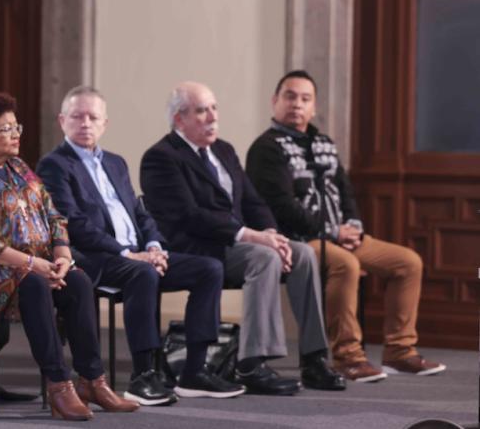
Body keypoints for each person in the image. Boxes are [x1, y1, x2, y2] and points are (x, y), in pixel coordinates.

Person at [0, 91, 139, 420]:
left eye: (16, 127)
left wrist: (62, 254)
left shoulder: (19, 168)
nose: (14, 135)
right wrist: (29, 263)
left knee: (78, 281)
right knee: (35, 284)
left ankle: (92, 381)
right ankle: (59, 386)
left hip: (34, 265)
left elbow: (54, 215)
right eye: (5, 129)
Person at [36, 86, 245, 403]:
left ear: (105, 123)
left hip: (137, 253)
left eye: (93, 117)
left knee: (209, 268)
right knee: (142, 273)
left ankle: (194, 371)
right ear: (62, 120)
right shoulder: (54, 165)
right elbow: (72, 223)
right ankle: (143, 376)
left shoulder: (116, 163)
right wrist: (129, 254)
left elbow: (139, 211)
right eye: (77, 116)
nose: (86, 123)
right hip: (95, 257)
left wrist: (155, 247)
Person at [139, 81, 346, 395]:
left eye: (214, 108)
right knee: (263, 257)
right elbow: (189, 216)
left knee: (302, 252)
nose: (212, 117)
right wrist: (251, 236)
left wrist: (272, 234)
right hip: (196, 246)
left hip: (234, 242)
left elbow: (253, 202)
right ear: (179, 119)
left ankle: (314, 359)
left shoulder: (224, 150)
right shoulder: (161, 157)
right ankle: (251, 365)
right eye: (201, 111)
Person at [245, 70, 446, 382]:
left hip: (341, 234)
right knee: (347, 266)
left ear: (314, 107)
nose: (297, 104)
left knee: (408, 262)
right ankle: (347, 358)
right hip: (299, 239)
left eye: (305, 99)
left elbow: (345, 190)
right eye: (290, 96)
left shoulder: (324, 142)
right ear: (274, 101)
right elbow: (282, 207)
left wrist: (353, 227)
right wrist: (331, 233)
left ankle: (399, 351)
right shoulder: (266, 149)